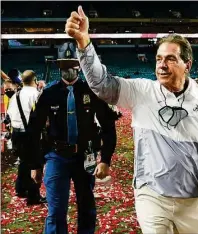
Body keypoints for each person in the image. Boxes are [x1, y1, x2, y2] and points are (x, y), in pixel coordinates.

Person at [65, 7, 198, 234]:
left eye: (170, 58)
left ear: (187, 65)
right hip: (151, 195)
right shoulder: (142, 91)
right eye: (159, 58)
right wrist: (84, 43)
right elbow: (102, 85)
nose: (161, 64)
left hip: (190, 198)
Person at [26, 42, 117, 234]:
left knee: (86, 207)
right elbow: (33, 130)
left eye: (74, 64)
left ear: (80, 65)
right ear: (59, 66)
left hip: (85, 156)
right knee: (56, 209)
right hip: (56, 156)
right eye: (65, 65)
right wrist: (35, 165)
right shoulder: (48, 94)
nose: (70, 69)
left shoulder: (91, 92)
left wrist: (106, 159)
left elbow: (108, 125)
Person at [7, 70, 46, 205]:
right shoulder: (36, 94)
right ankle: (33, 196)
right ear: (34, 80)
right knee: (35, 163)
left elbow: (10, 114)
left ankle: (20, 188)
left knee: (23, 160)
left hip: (16, 133)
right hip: (30, 133)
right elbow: (42, 116)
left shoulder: (16, 95)